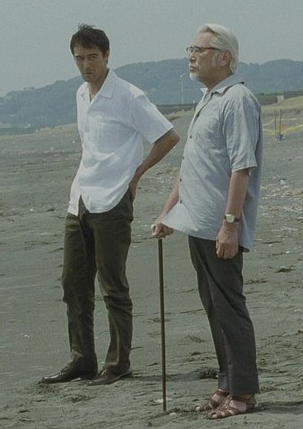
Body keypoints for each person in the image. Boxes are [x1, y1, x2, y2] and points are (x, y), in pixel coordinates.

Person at [40, 24, 180, 386]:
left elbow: (168, 136)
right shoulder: (80, 94)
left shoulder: (129, 96)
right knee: (73, 283)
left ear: (106, 56)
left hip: (114, 198)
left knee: (113, 285)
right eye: (79, 58)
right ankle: (82, 359)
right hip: (80, 198)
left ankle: (118, 364)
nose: (86, 65)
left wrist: (136, 175)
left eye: (92, 57)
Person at [151, 23, 262, 419]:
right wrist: (169, 212)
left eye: (199, 50)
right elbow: (190, 167)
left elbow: (241, 167)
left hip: (219, 226)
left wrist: (230, 224)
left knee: (229, 308)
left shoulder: (238, 99)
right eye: (191, 49)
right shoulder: (207, 99)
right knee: (214, 308)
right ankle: (226, 382)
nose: (191, 56)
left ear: (224, 57)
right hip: (197, 223)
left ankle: (243, 393)